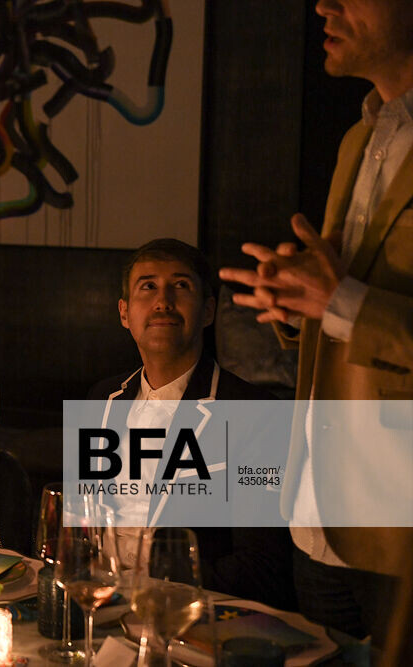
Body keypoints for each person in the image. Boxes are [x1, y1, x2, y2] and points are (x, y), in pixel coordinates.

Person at [219, 0, 413, 643]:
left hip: (397, 526)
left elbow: (348, 304)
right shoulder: (361, 136)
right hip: (315, 515)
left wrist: (340, 302)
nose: (322, 6)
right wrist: (296, 304)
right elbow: (340, 307)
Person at [89, 239, 296, 610]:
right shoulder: (100, 400)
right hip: (96, 604)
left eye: (181, 285)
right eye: (147, 286)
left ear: (208, 311)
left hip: (190, 614)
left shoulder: (257, 414)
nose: (163, 301)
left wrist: (154, 590)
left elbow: (262, 565)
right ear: (124, 313)